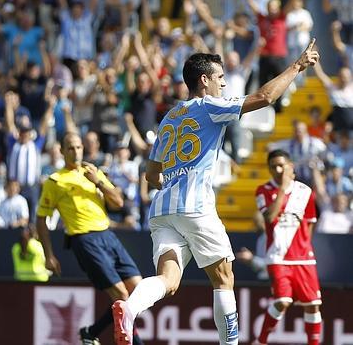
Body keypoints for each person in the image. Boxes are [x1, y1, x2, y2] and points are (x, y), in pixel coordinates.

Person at [112, 39, 320, 345]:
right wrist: (298, 65)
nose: (223, 83)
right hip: (195, 206)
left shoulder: (170, 116)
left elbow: (151, 174)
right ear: (204, 80)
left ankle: (129, 309)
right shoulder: (209, 106)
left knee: (168, 282)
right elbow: (265, 96)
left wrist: (174, 179)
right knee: (223, 278)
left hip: (162, 209)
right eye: (220, 78)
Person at [36, 132, 143, 345]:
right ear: (62, 151)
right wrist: (49, 255)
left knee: (139, 291)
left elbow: (118, 202)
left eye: (78, 147)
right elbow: (41, 220)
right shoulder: (55, 181)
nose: (75, 151)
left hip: (107, 235)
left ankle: (91, 332)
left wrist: (99, 183)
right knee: (121, 295)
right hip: (84, 239)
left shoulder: (92, 172)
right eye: (70, 148)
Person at [253, 150, 322, 345]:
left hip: (303, 258)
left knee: (313, 306)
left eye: (281, 165)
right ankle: (261, 341)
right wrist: (282, 189)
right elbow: (268, 218)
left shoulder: (305, 192)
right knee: (283, 301)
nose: (277, 169)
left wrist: (303, 246)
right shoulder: (263, 191)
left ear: (290, 165)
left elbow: (309, 222)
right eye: (273, 166)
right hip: (278, 256)